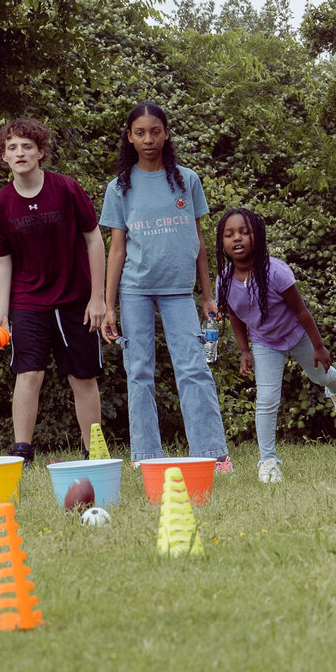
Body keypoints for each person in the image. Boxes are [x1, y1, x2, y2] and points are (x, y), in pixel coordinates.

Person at [99, 102, 232, 471]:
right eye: (140, 132)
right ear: (130, 137)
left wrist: (207, 294)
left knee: (193, 368)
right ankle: (145, 457)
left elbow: (200, 243)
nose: (148, 139)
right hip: (135, 290)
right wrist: (109, 307)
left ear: (166, 133)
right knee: (139, 371)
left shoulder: (186, 180)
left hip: (179, 291)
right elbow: (117, 249)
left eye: (154, 131)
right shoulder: (119, 187)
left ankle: (213, 454)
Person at [0, 117, 106, 464]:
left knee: (82, 375)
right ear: (4, 158)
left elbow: (94, 238)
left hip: (76, 301)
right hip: (28, 302)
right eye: (12, 147)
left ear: (41, 152)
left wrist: (97, 297)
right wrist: (1, 312)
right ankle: (22, 452)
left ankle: (93, 451)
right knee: (29, 373)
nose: (20, 152)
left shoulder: (67, 188)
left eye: (27, 146)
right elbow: (2, 261)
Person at [215, 208, 336, 484]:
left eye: (245, 232)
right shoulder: (224, 281)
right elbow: (235, 316)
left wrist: (319, 347)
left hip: (297, 336)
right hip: (264, 343)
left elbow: (302, 311)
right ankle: (267, 461)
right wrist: (244, 351)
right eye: (229, 234)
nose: (237, 239)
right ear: (221, 242)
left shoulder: (275, 271)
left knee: (319, 376)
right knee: (267, 400)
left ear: (258, 236)